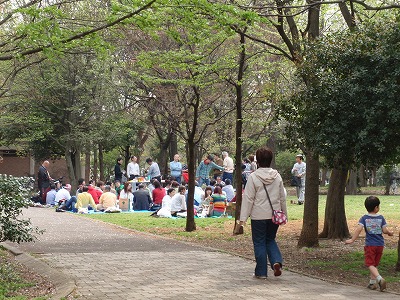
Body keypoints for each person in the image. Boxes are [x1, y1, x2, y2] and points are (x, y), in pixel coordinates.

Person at [239, 146, 287, 279]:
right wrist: (284, 213)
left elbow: (248, 198)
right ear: (270, 160)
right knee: (270, 239)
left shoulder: (253, 177)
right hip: (274, 214)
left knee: (259, 242)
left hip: (258, 215)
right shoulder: (277, 176)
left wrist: (243, 218)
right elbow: (282, 196)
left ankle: (261, 272)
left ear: (257, 161)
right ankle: (276, 261)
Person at [345, 196, 393, 291]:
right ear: (376, 208)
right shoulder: (381, 218)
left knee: (369, 264)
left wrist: (352, 240)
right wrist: (389, 233)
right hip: (380, 245)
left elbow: (359, 229)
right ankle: (372, 283)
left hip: (370, 244)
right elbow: (384, 230)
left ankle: (379, 279)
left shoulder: (364, 218)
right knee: (374, 264)